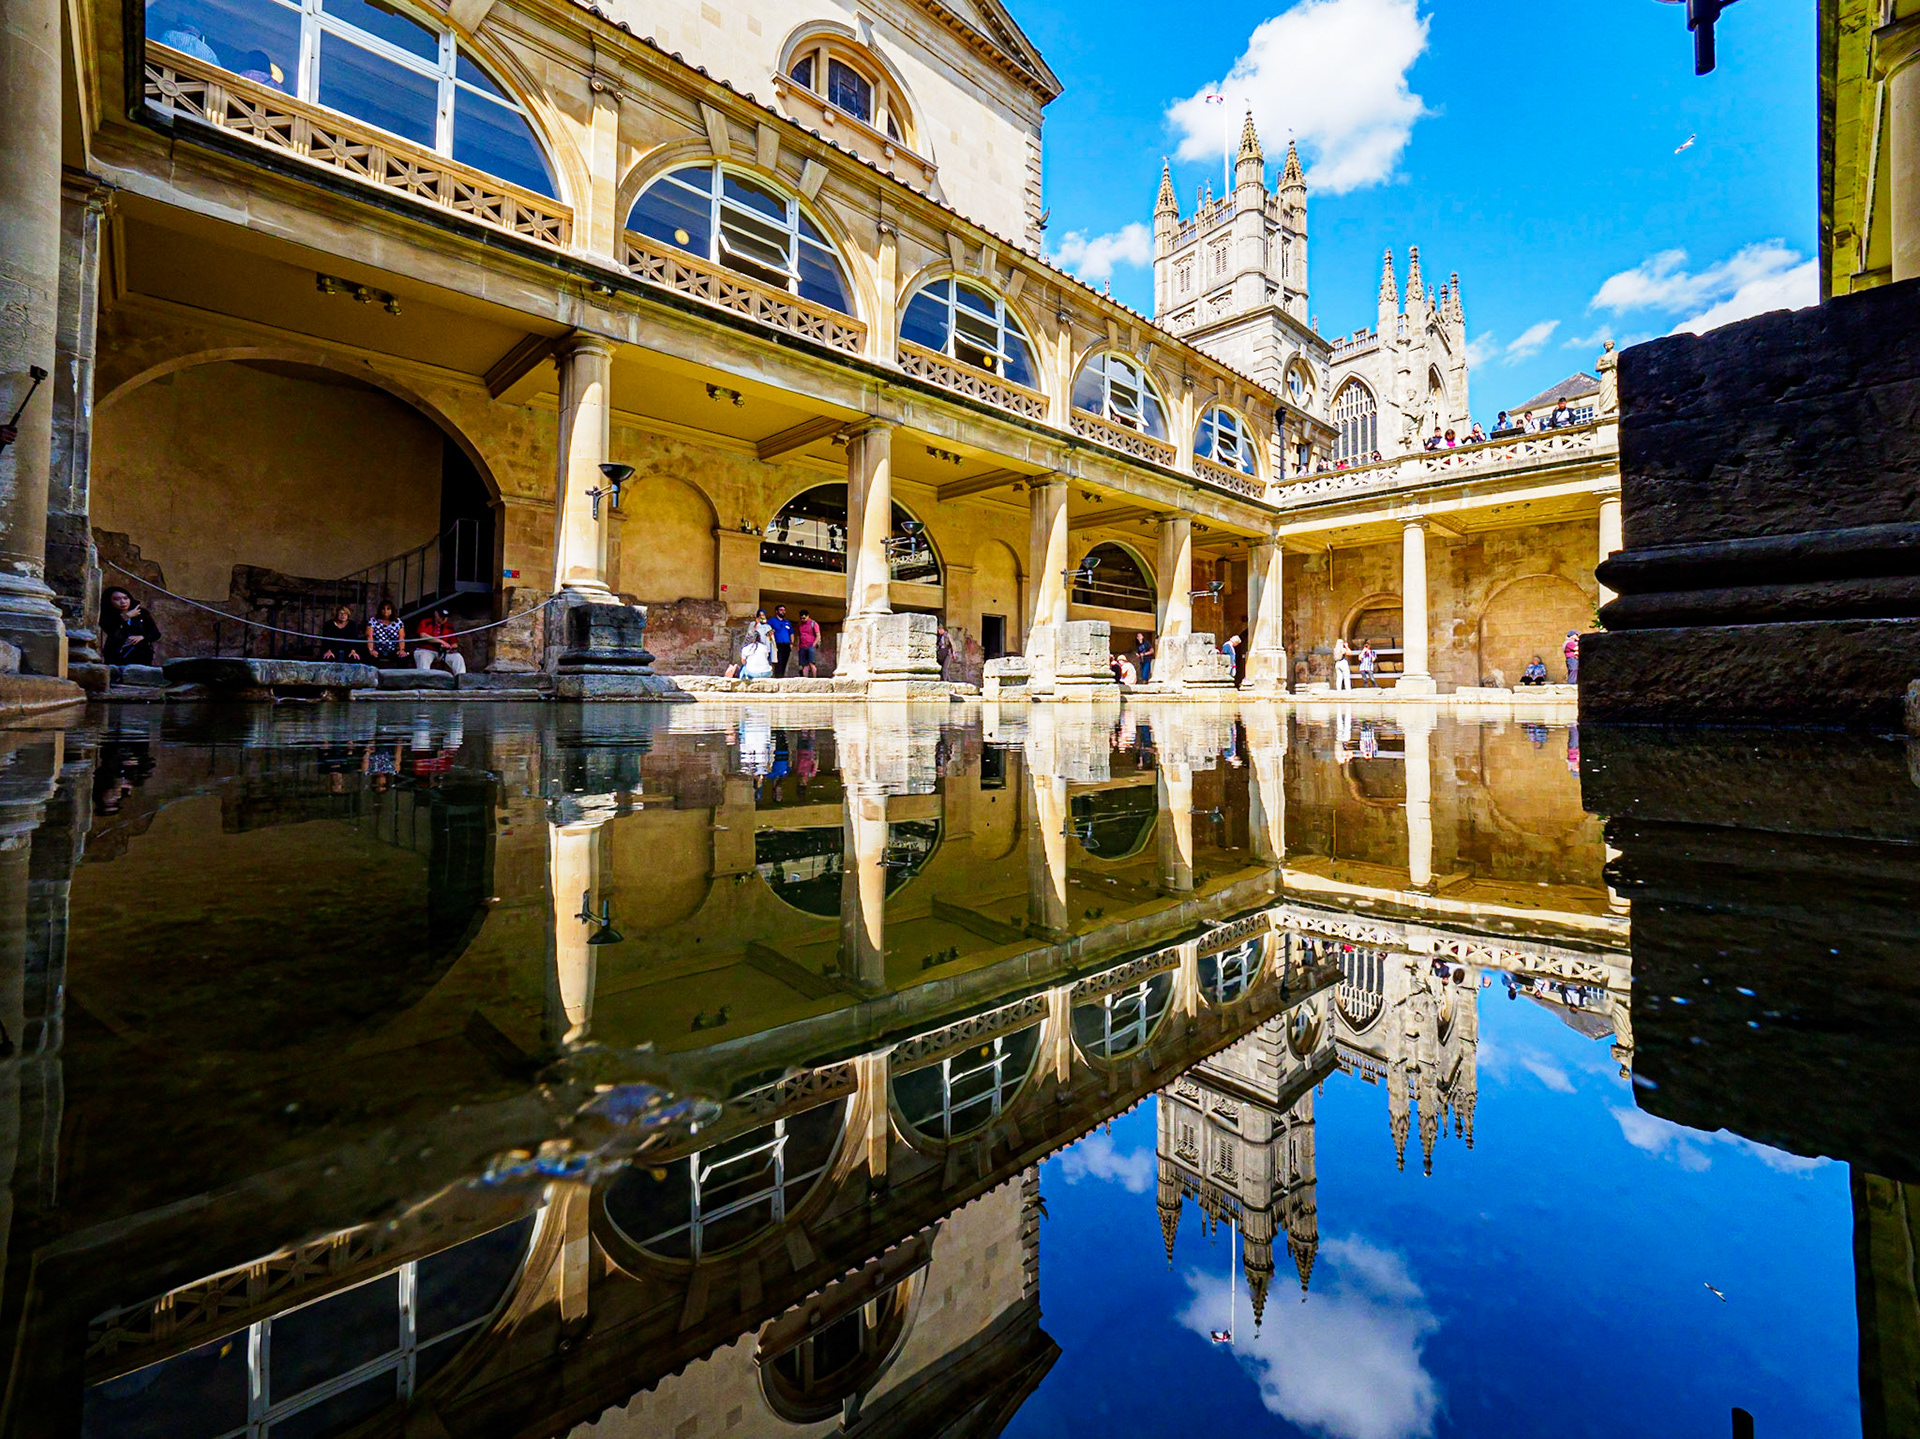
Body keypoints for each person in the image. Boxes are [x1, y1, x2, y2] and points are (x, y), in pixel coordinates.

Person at [101, 586, 160, 669]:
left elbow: (155, 634)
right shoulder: (107, 616)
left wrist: (142, 637)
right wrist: (126, 617)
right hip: (116, 655)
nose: (123, 602)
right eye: (117, 599)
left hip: (141, 654)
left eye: (125, 598)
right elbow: (111, 630)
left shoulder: (141, 613)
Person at [414, 607, 467, 675]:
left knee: (457, 657)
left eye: (446, 617)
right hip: (426, 650)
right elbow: (423, 636)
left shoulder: (449, 627)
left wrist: (451, 648)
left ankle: (461, 678)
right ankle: (424, 680)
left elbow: (454, 644)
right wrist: (441, 642)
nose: (444, 619)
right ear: (436, 614)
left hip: (442, 652)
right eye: (442, 616)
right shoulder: (426, 622)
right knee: (423, 656)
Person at [366, 599, 407, 667]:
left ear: (392, 610)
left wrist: (401, 650)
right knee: (370, 658)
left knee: (403, 658)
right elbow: (369, 636)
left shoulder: (398, 622)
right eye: (383, 609)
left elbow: (401, 637)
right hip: (377, 648)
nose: (385, 611)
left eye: (388, 609)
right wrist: (371, 650)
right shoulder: (373, 620)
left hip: (393, 649)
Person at [768, 604, 794, 677]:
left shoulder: (787, 622)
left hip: (786, 645)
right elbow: (768, 632)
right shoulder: (772, 621)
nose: (783, 612)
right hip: (777, 644)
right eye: (781, 610)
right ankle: (777, 677)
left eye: (784, 610)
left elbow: (791, 633)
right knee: (777, 662)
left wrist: (791, 643)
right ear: (776, 611)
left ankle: (781, 676)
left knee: (784, 662)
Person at [796, 609, 821, 676]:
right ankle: (805, 678)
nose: (803, 620)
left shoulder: (813, 624)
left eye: (804, 618)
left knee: (811, 663)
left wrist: (813, 645)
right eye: (801, 618)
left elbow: (818, 635)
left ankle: (814, 678)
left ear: (808, 616)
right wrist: (798, 646)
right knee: (804, 665)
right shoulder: (800, 625)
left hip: (810, 646)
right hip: (802, 646)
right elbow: (799, 636)